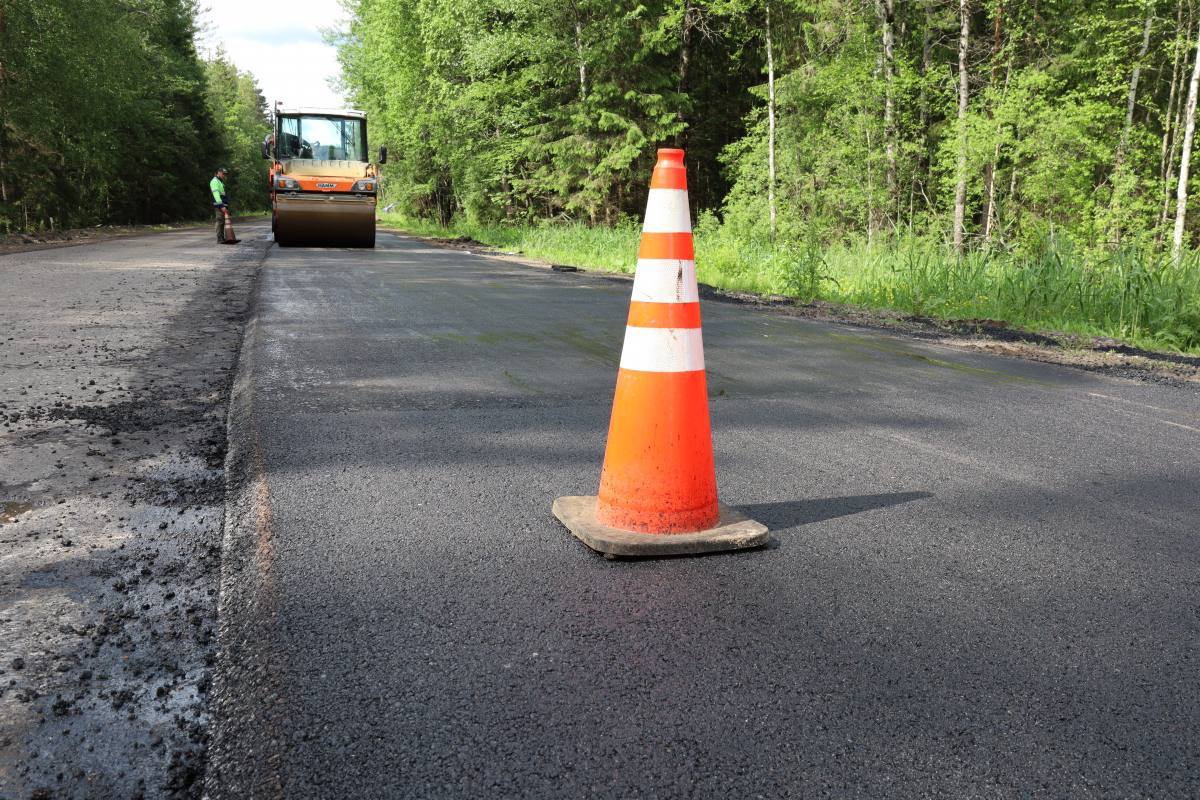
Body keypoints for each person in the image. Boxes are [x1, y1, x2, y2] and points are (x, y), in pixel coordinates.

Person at [210, 167, 239, 244]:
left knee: (222, 222)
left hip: (222, 205)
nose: (224, 176)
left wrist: (225, 206)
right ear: (218, 172)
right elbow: (216, 194)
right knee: (220, 221)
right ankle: (219, 239)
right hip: (219, 205)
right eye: (223, 174)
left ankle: (222, 238)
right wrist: (221, 206)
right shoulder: (214, 181)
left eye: (225, 174)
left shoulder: (220, 182)